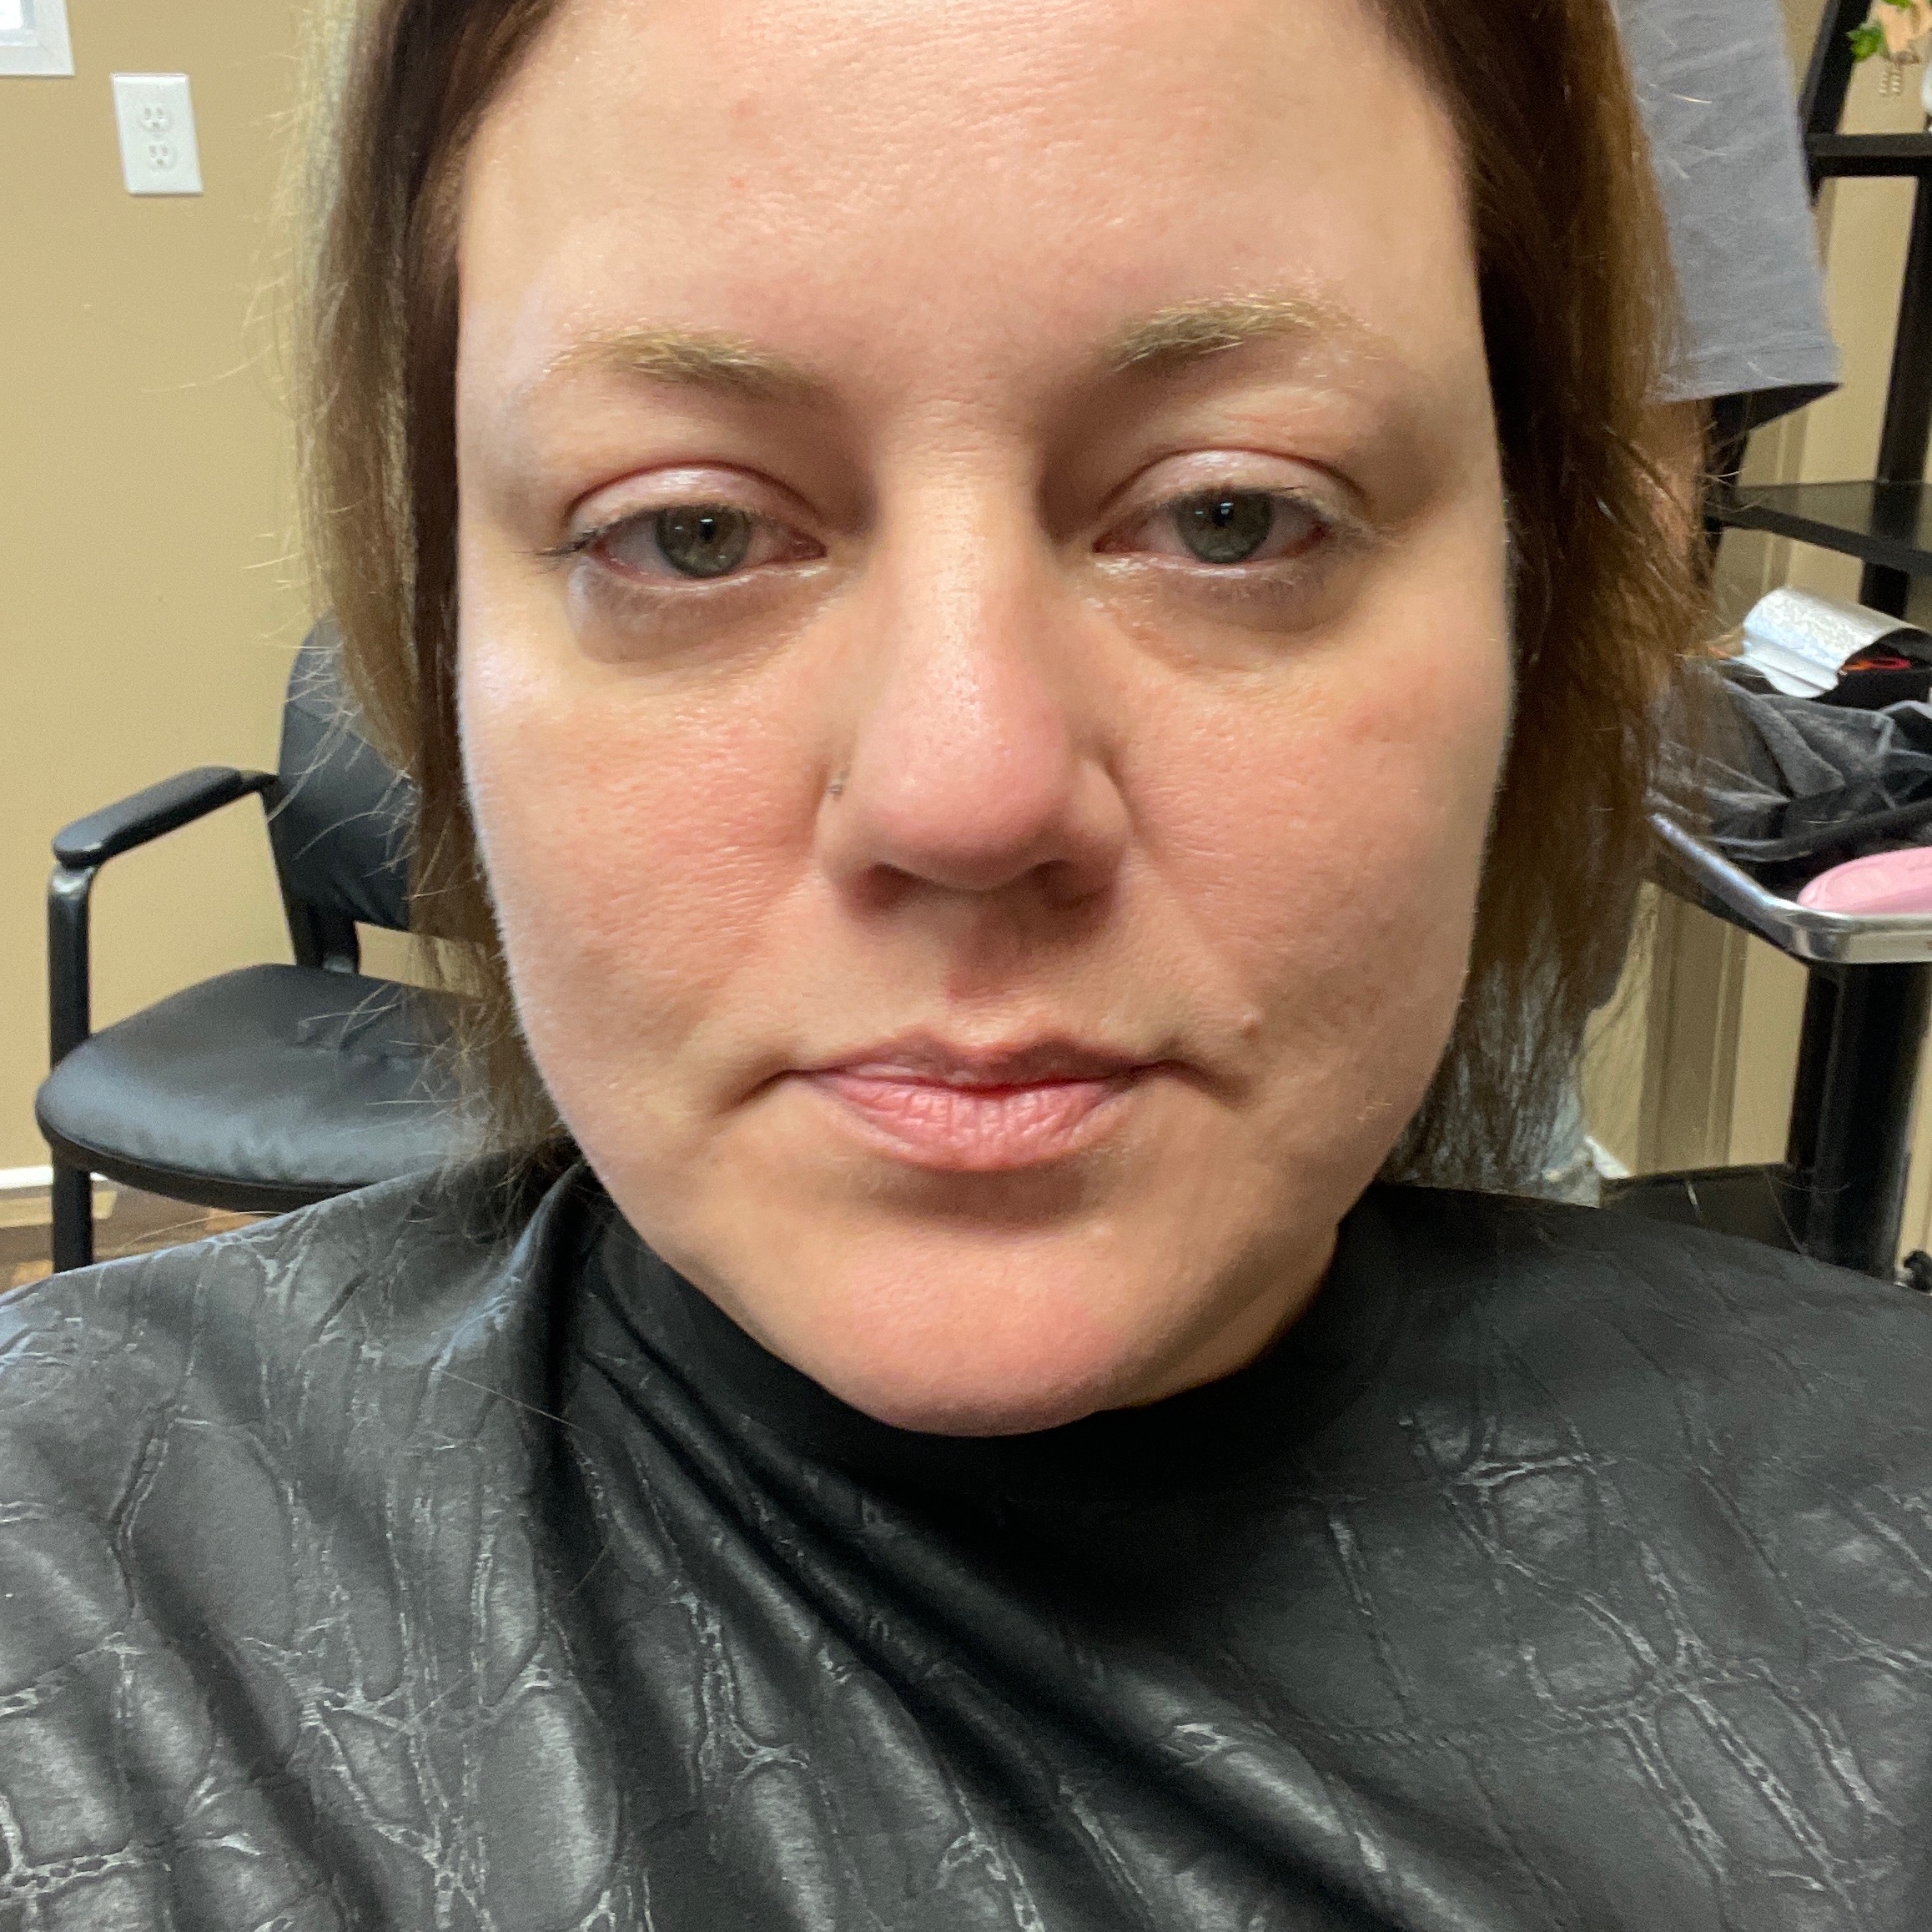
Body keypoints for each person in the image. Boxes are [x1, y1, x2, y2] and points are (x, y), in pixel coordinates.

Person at [2, 0, 1928, 1925]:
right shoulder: (72, 1588)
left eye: (1232, 515)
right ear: (440, 634)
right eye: (687, 533)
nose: (967, 787)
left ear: (1527, 597)